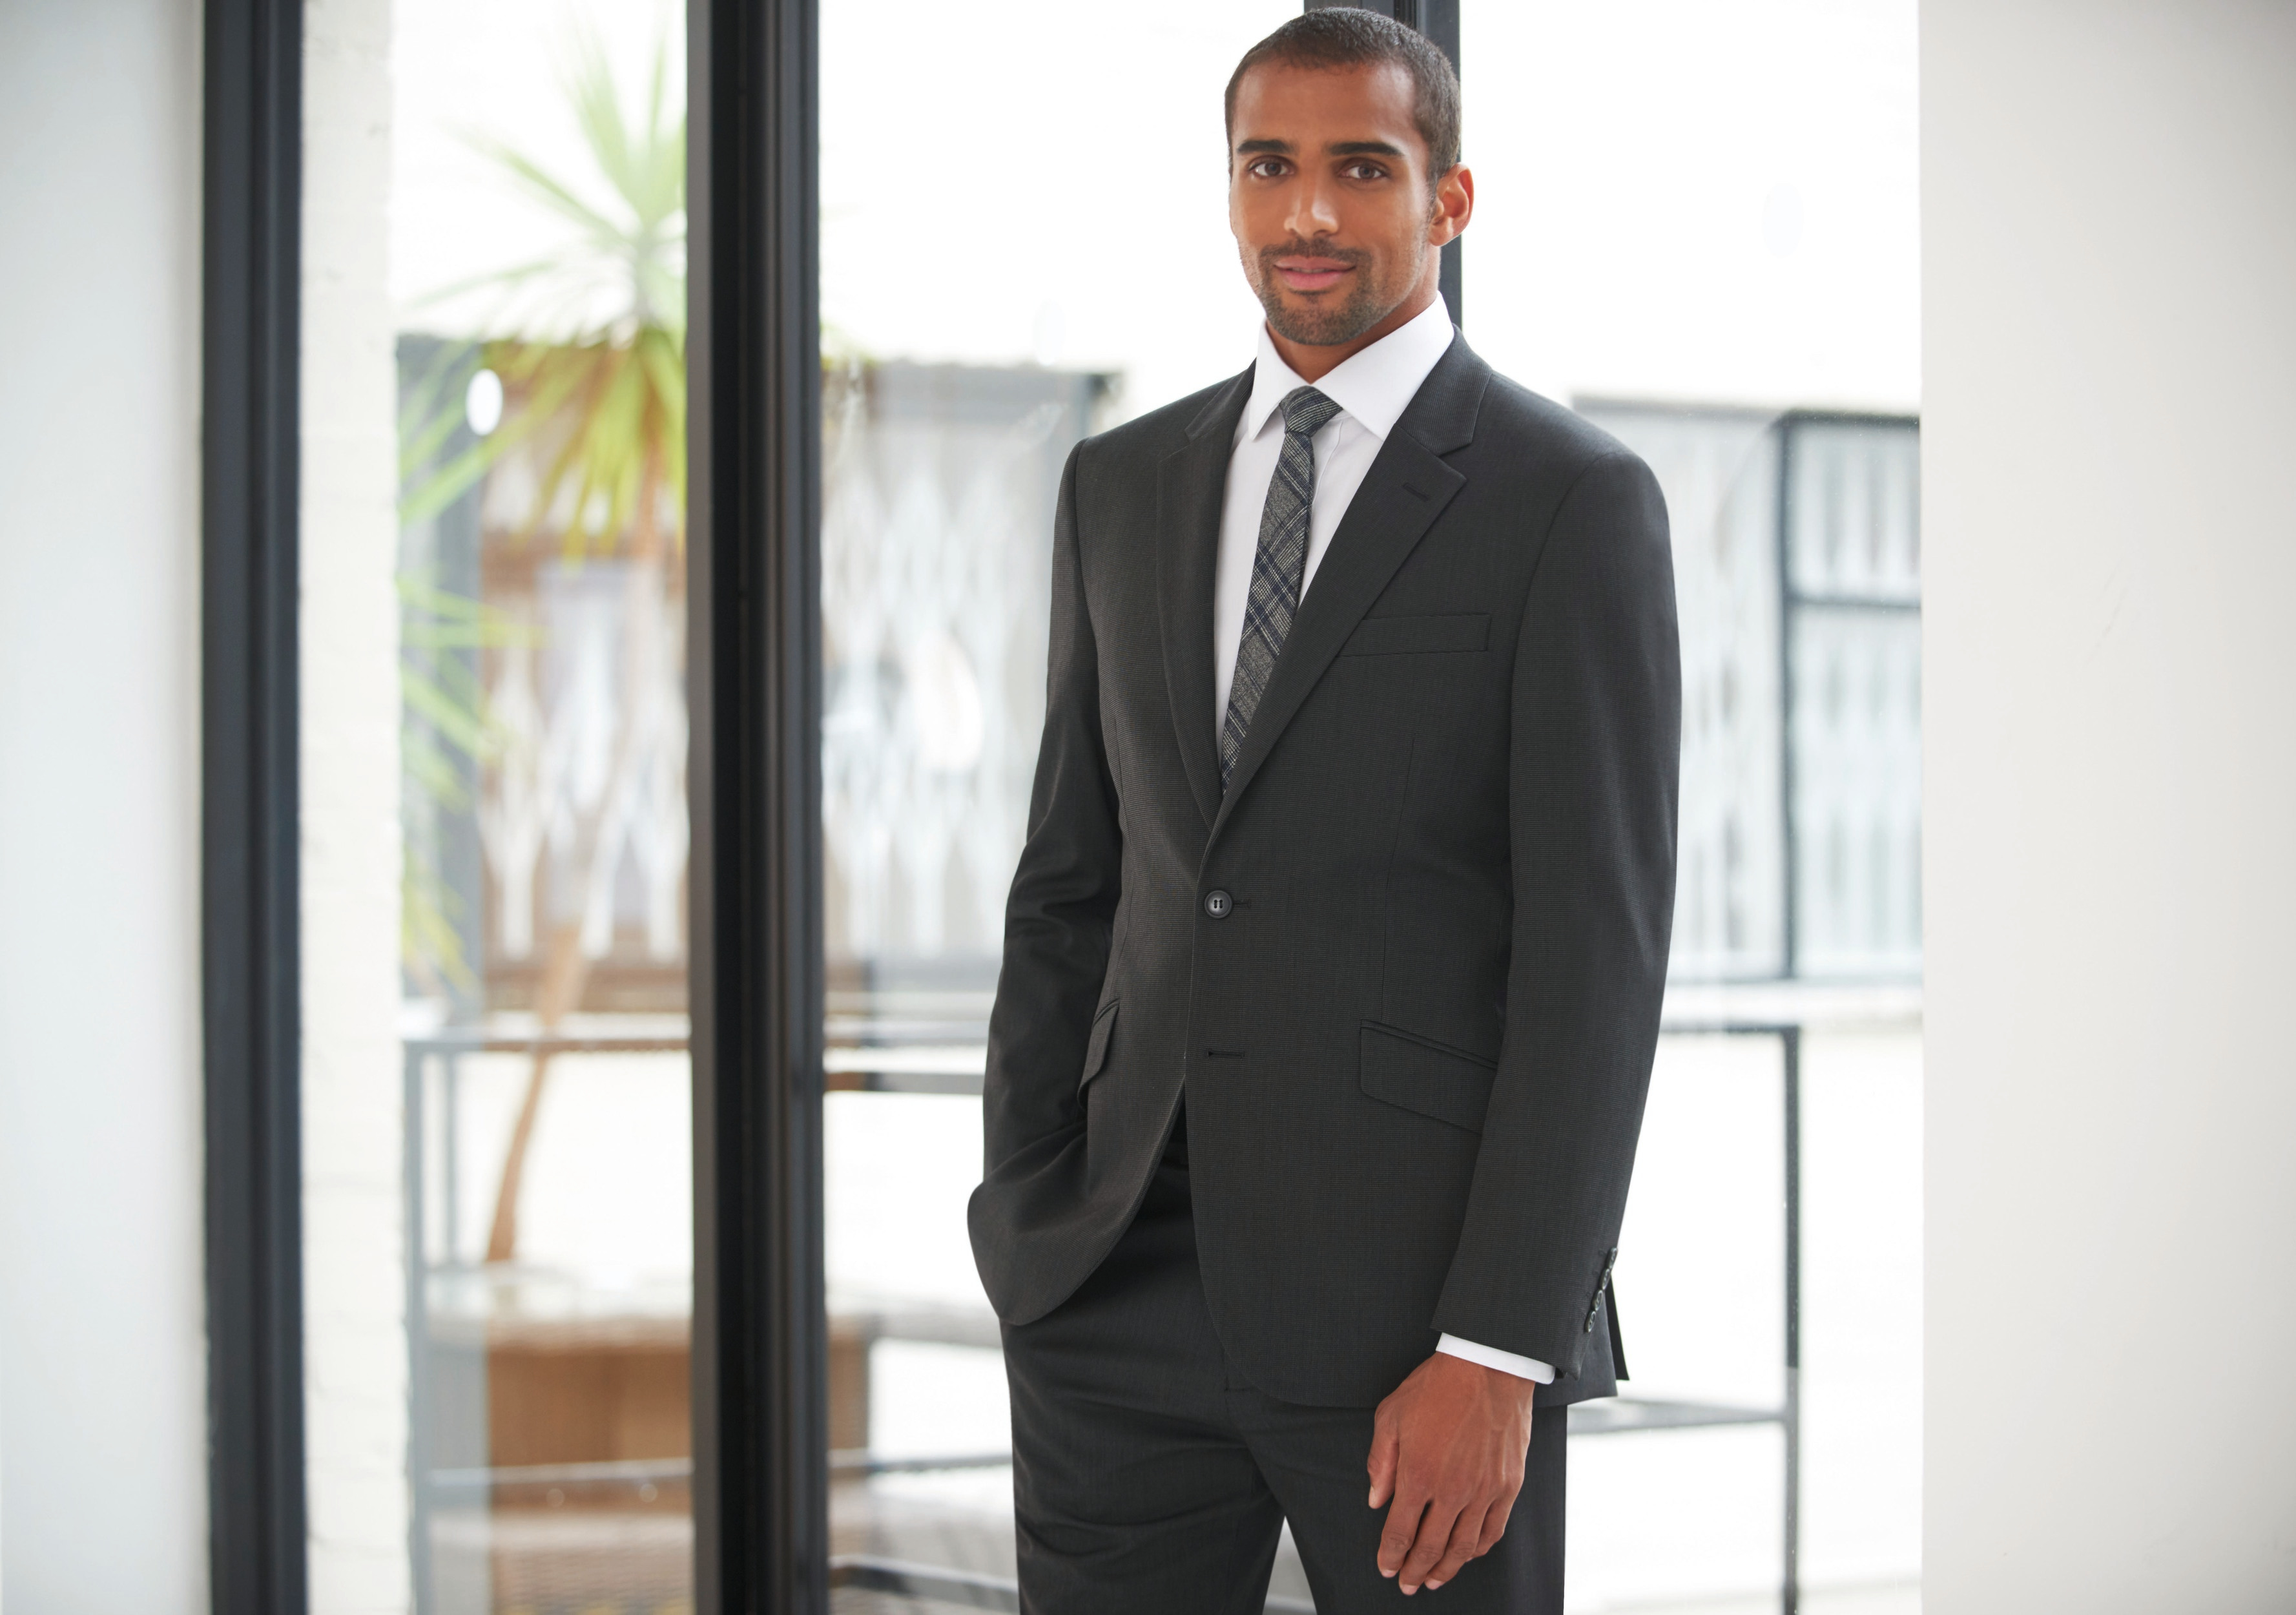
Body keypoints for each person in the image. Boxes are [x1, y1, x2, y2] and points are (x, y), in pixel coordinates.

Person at [967, 10, 1680, 1610]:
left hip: (1417, 1326)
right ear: (1226, 190)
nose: (1304, 212)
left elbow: (1595, 961)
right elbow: (1073, 882)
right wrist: (1026, 1212)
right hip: (1112, 1294)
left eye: (1360, 167)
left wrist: (1496, 1343)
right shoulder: (1121, 484)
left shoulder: (1568, 503)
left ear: (1448, 199)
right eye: (1266, 167)